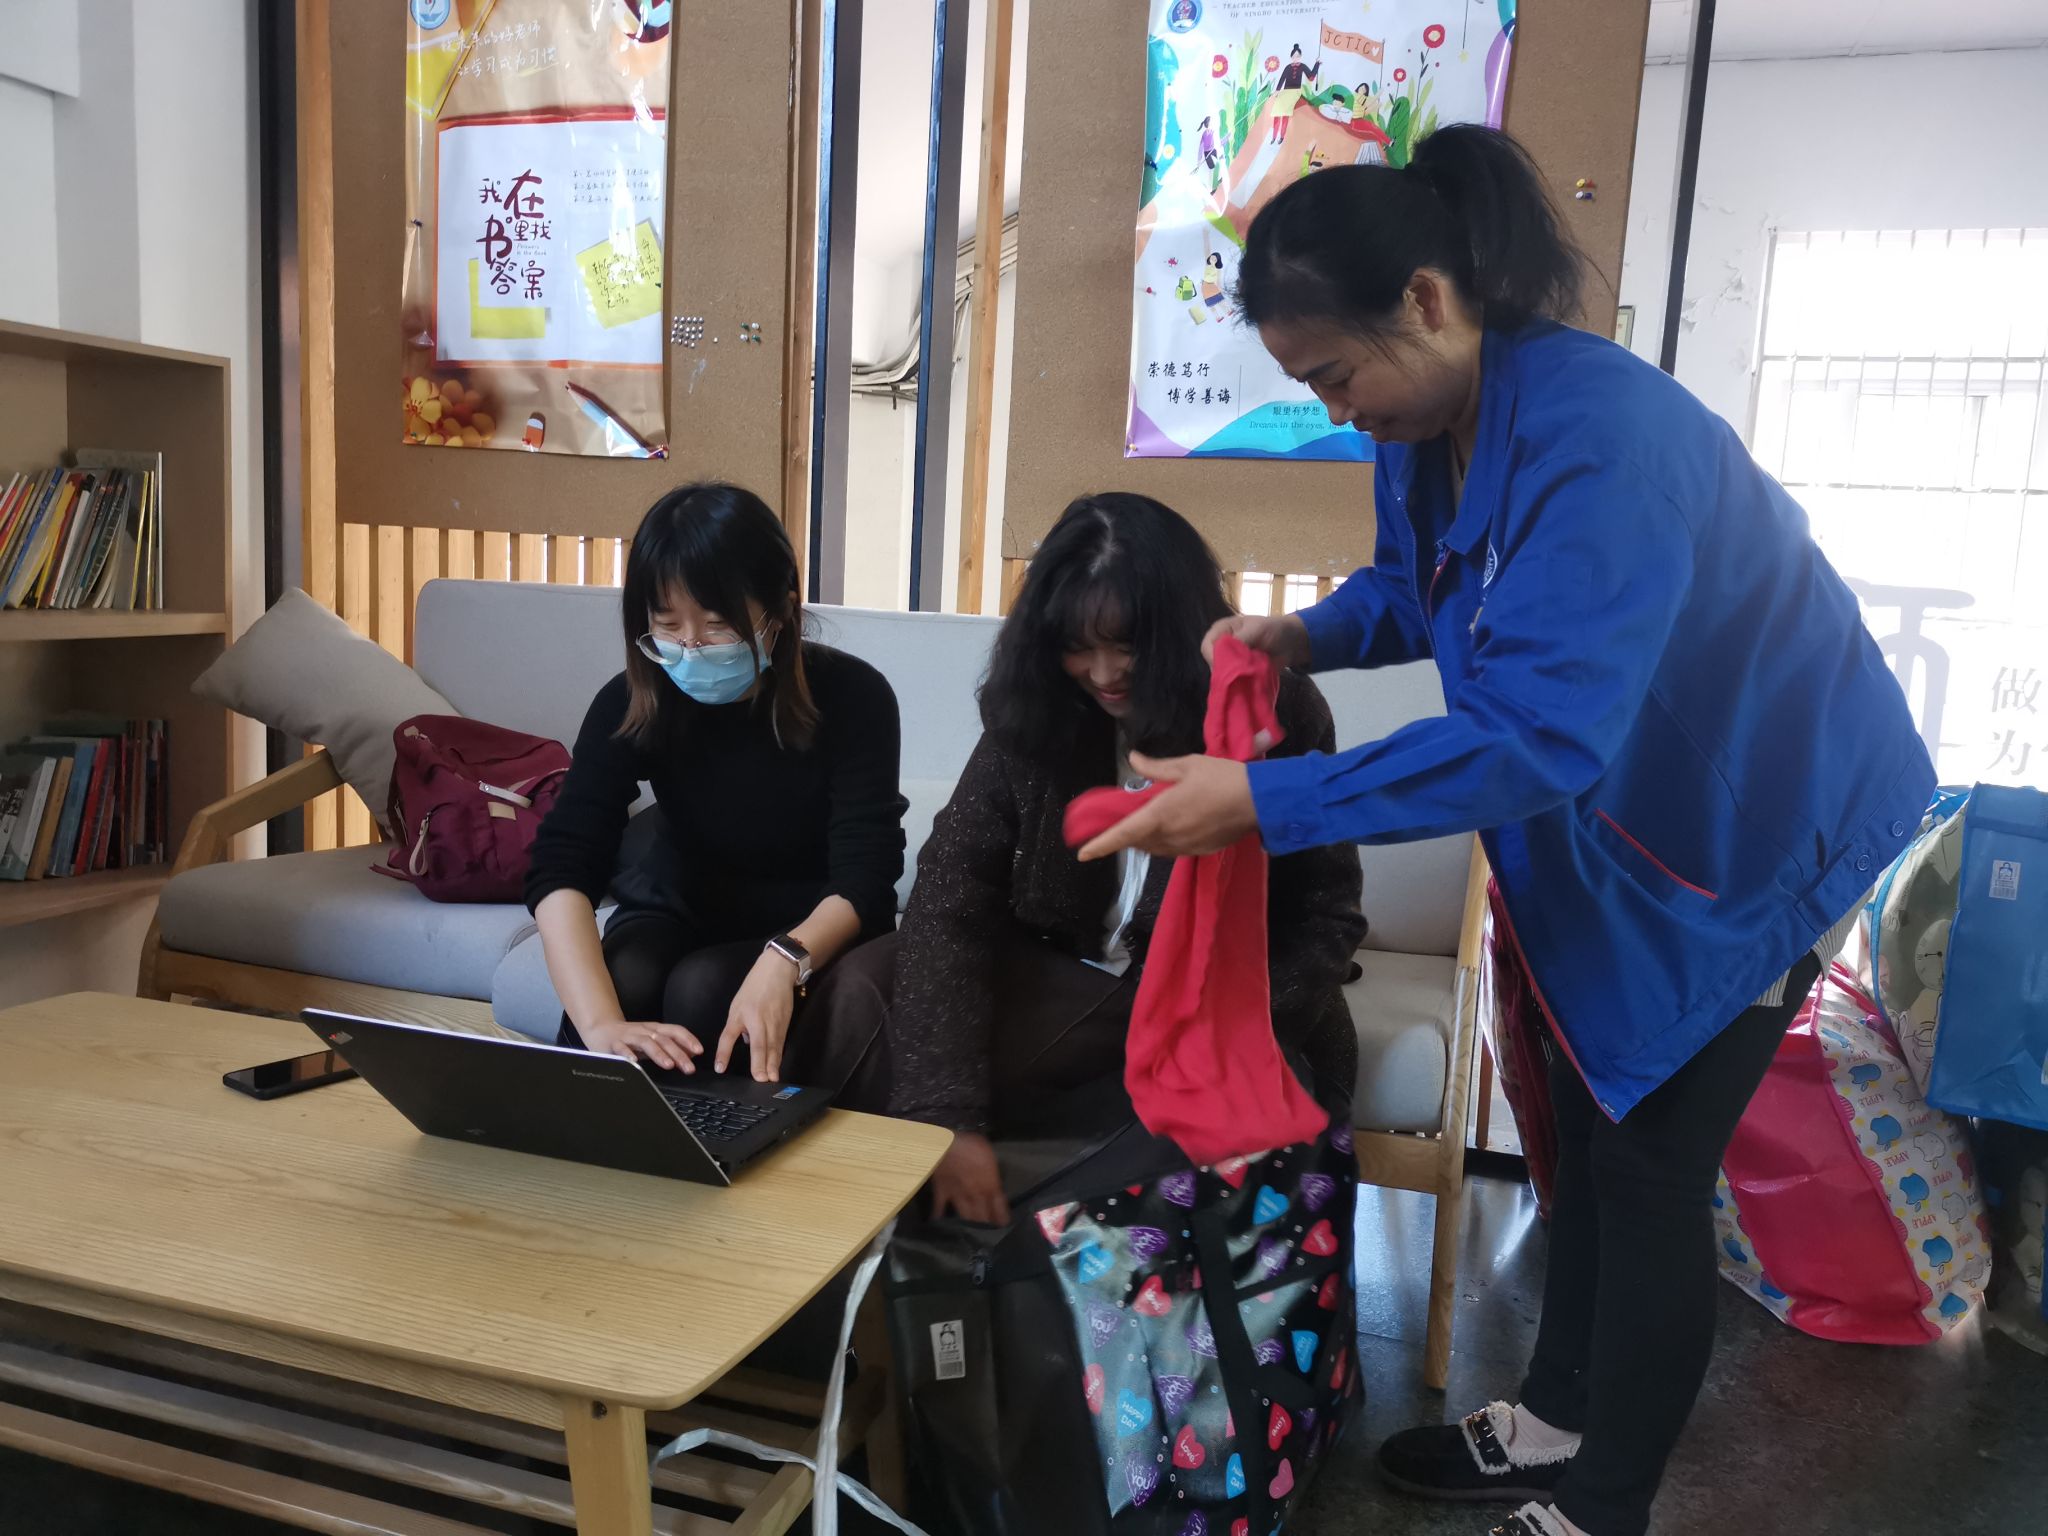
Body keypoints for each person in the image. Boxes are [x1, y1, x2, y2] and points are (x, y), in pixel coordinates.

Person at [1073, 126, 1934, 1536]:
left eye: (1333, 377)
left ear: (1424, 300)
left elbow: (1541, 734)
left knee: (1650, 1165)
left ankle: (1602, 1506)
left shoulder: (1606, 442)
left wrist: (1263, 804)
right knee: (1584, 1129)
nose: (1337, 411)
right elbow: (1415, 588)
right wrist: (1305, 634)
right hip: (1632, 806)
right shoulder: (1429, 424)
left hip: (1771, 821)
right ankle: (1555, 1418)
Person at [806, 493, 1366, 1225]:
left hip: (1215, 1008)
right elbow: (949, 895)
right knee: (862, 988)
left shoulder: (1274, 712)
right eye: (1076, 645)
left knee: (1207, 1098)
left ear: (1180, 629)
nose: (1102, 673)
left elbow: (1327, 915)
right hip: (1069, 986)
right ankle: (850, 1228)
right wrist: (946, 1116)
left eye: (1126, 645)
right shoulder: (1035, 712)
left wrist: (1228, 1034)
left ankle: (970, 1234)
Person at [525, 482, 904, 1083]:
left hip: (813, 922)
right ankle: (584, 1126)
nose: (691, 647)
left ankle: (731, 1133)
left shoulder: (854, 697)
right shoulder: (633, 701)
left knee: (703, 990)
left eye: (718, 625)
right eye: (667, 625)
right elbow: (564, 863)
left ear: (781, 609)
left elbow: (867, 878)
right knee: (627, 978)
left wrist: (785, 958)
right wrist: (599, 1026)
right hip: (683, 905)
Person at [1267, 43, 1320, 144]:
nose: (1296, 58)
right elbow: (1282, 79)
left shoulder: (1302, 66)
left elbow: (1311, 77)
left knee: (1285, 113)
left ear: (1300, 56)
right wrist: (1277, 91)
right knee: (1277, 111)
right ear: (1291, 57)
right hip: (1285, 91)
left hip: (1295, 91)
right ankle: (1273, 137)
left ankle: (1281, 136)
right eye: (1294, 56)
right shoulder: (1288, 67)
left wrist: (1317, 64)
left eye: (1298, 56)